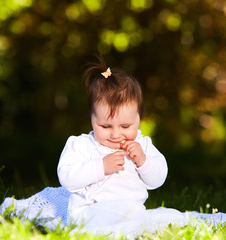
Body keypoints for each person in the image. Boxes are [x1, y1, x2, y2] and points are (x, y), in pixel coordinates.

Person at [57, 58, 169, 231]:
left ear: (139, 117)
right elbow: (67, 178)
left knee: (161, 218)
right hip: (89, 213)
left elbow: (158, 179)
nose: (116, 134)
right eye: (105, 126)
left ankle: (133, 226)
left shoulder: (142, 146)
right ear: (92, 118)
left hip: (132, 212)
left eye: (125, 126)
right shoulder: (82, 145)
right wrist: (100, 167)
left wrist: (143, 161)